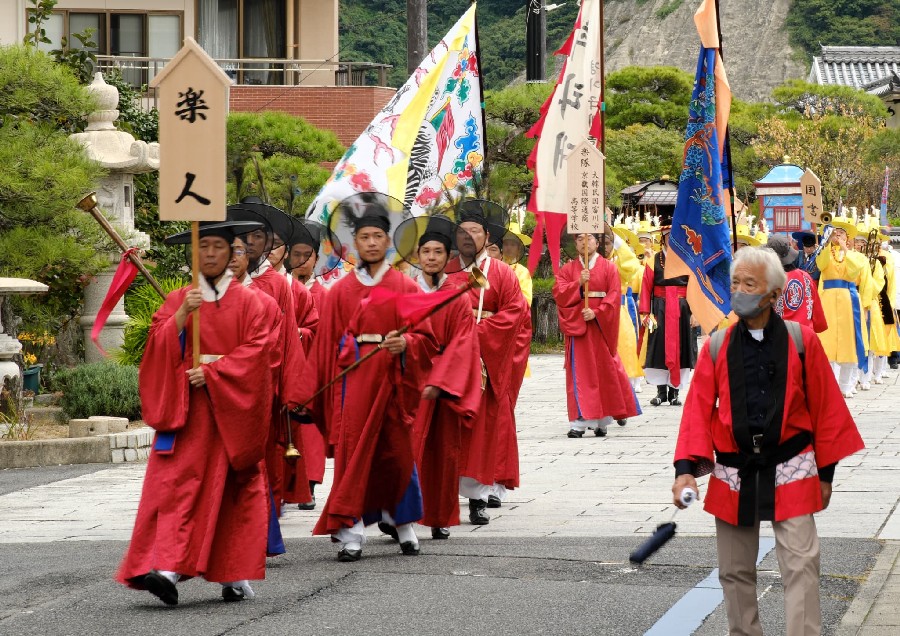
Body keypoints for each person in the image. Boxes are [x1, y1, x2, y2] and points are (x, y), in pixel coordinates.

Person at [672, 246, 864, 636]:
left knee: (802, 566)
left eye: (750, 284)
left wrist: (826, 475)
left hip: (792, 465)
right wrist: (685, 471)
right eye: (735, 283)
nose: (739, 291)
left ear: (774, 294)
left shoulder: (802, 341)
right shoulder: (717, 345)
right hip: (734, 469)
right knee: (734, 571)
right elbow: (696, 410)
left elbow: (826, 409)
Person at [116, 219, 273, 605]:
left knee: (230, 492)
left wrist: (216, 373)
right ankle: (166, 568)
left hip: (230, 415)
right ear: (194, 253)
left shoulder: (252, 303)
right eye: (204, 247)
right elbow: (156, 347)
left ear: (233, 252)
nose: (211, 254)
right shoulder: (178, 299)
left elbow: (259, 353)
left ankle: (233, 574)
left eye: (219, 246)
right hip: (186, 411)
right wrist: (181, 316)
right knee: (175, 489)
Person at [300, 193, 435, 561]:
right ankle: (352, 532)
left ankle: (404, 524)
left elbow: (426, 338)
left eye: (378, 236)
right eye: (364, 237)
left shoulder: (406, 287)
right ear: (354, 244)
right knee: (353, 455)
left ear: (388, 241)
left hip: (394, 380)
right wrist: (308, 393)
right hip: (354, 382)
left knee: (396, 454)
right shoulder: (339, 292)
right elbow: (325, 346)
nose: (372, 243)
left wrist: (407, 342)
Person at [448, 201, 529, 524]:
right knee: (448, 429)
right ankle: (442, 494)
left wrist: (477, 331)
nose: (468, 237)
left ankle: (478, 497)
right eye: (463, 232)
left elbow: (516, 314)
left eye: (475, 231)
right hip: (450, 358)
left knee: (481, 428)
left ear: (486, 236)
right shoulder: (445, 269)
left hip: (485, 358)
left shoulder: (502, 273)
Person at [406, 215, 482, 540]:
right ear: (418, 255)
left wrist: (442, 378)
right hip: (411, 381)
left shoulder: (459, 296)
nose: (431, 257)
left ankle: (440, 516)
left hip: (443, 384)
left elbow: (464, 343)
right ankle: (404, 516)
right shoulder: (407, 291)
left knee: (444, 453)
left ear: (447, 256)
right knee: (408, 449)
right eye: (426, 252)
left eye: (438, 252)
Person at [554, 233, 639, 438]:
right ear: (575, 244)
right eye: (580, 239)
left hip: (600, 326)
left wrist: (597, 312)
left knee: (603, 372)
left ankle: (602, 420)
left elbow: (613, 296)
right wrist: (577, 283)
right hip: (578, 325)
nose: (585, 242)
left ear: (597, 242)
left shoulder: (609, 268)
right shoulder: (568, 270)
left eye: (589, 238)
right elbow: (559, 293)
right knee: (580, 373)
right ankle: (579, 422)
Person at [640, 227, 697, 406]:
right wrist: (645, 312)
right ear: (662, 239)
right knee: (659, 347)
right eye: (667, 237)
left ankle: (674, 392)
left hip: (682, 308)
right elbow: (646, 287)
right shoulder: (653, 260)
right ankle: (661, 392)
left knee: (680, 347)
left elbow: (694, 287)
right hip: (660, 308)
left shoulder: (687, 259)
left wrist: (695, 312)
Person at [815, 215, 869, 398]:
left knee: (848, 341)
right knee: (827, 340)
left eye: (841, 233)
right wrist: (827, 243)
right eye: (835, 233)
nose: (838, 235)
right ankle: (830, 385)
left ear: (848, 237)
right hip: (828, 299)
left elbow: (855, 270)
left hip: (848, 299)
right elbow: (820, 265)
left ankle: (845, 385)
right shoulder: (825, 252)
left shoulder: (856, 256)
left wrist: (845, 248)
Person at [766, 235, 827, 333]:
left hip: (779, 335)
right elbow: (818, 316)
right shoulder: (806, 277)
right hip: (805, 334)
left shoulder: (768, 280)